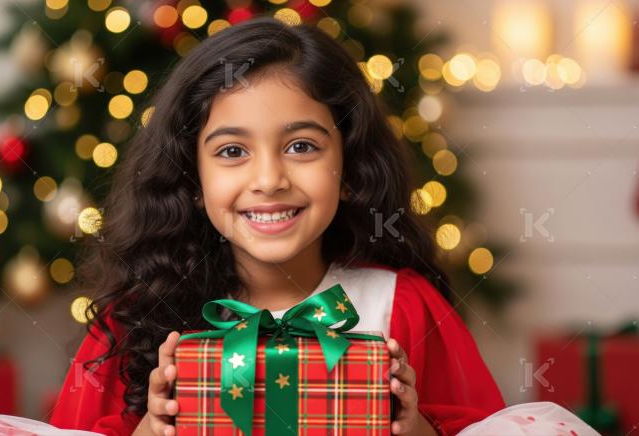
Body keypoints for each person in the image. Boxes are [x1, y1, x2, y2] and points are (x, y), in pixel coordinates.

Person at [49, 16, 505, 436]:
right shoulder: (135, 320)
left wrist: (415, 427)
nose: (269, 180)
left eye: (301, 146)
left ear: (349, 168)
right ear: (191, 179)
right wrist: (153, 427)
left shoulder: (403, 306)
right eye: (232, 151)